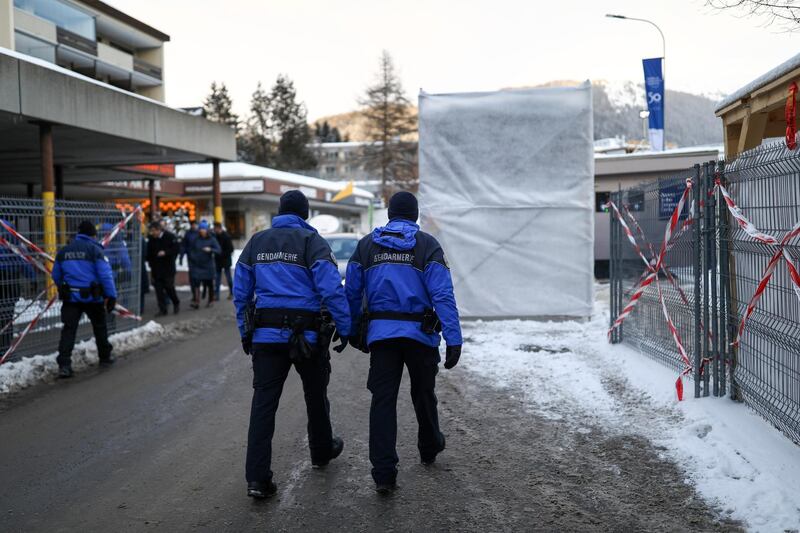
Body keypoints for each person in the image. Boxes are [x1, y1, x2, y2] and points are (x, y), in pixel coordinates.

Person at [233, 190, 351, 499]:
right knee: (315, 395)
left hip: (265, 337)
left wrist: (246, 331)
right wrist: (348, 329)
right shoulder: (312, 242)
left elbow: (241, 293)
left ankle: (257, 480)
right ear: (306, 214)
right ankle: (322, 451)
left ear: (280, 212)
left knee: (263, 406)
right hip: (307, 338)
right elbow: (331, 290)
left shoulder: (256, 243)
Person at [345, 191, 462, 494]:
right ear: (415, 215)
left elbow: (352, 292)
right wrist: (453, 338)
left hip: (383, 338)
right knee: (423, 393)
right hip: (420, 337)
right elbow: (443, 295)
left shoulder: (367, 246)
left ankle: (383, 473)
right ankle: (429, 445)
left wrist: (352, 328)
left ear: (390, 213)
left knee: (383, 401)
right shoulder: (426, 245)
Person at [51, 220, 118, 378]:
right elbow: (105, 275)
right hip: (92, 298)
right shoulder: (95, 250)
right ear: (93, 235)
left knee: (68, 330)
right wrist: (111, 295)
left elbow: (56, 275)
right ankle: (105, 357)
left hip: (71, 298)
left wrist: (64, 285)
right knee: (100, 327)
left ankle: (64, 365)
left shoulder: (64, 251)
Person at [146, 221, 180, 316]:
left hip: (168, 268)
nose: (152, 233)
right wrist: (150, 263)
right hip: (156, 269)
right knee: (159, 291)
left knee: (169, 287)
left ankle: (176, 302)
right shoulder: (151, 240)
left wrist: (166, 252)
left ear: (159, 230)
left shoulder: (170, 237)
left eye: (154, 231)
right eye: (151, 231)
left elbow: (176, 249)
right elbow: (149, 254)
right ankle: (162, 309)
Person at [188, 220, 220, 308]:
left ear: (207, 230)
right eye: (201, 229)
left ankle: (211, 300)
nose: (202, 231)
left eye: (203, 229)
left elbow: (218, 250)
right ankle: (196, 301)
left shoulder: (212, 239)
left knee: (209, 283)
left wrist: (211, 250)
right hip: (197, 265)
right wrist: (193, 258)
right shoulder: (196, 239)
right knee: (196, 283)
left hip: (208, 266)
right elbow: (191, 250)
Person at [213, 222, 234, 301]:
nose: (215, 230)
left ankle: (231, 293)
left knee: (228, 278)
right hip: (218, 261)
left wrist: (220, 253)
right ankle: (216, 295)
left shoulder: (226, 236)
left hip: (225, 261)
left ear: (220, 228)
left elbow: (231, 249)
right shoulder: (214, 236)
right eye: (214, 229)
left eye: (216, 228)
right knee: (217, 279)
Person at [180, 220, 199, 305]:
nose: (194, 226)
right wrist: (181, 256)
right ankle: (195, 296)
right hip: (191, 258)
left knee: (199, 277)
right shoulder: (188, 234)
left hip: (200, 259)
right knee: (192, 278)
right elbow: (184, 246)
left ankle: (197, 296)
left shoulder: (200, 233)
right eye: (192, 224)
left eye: (195, 224)